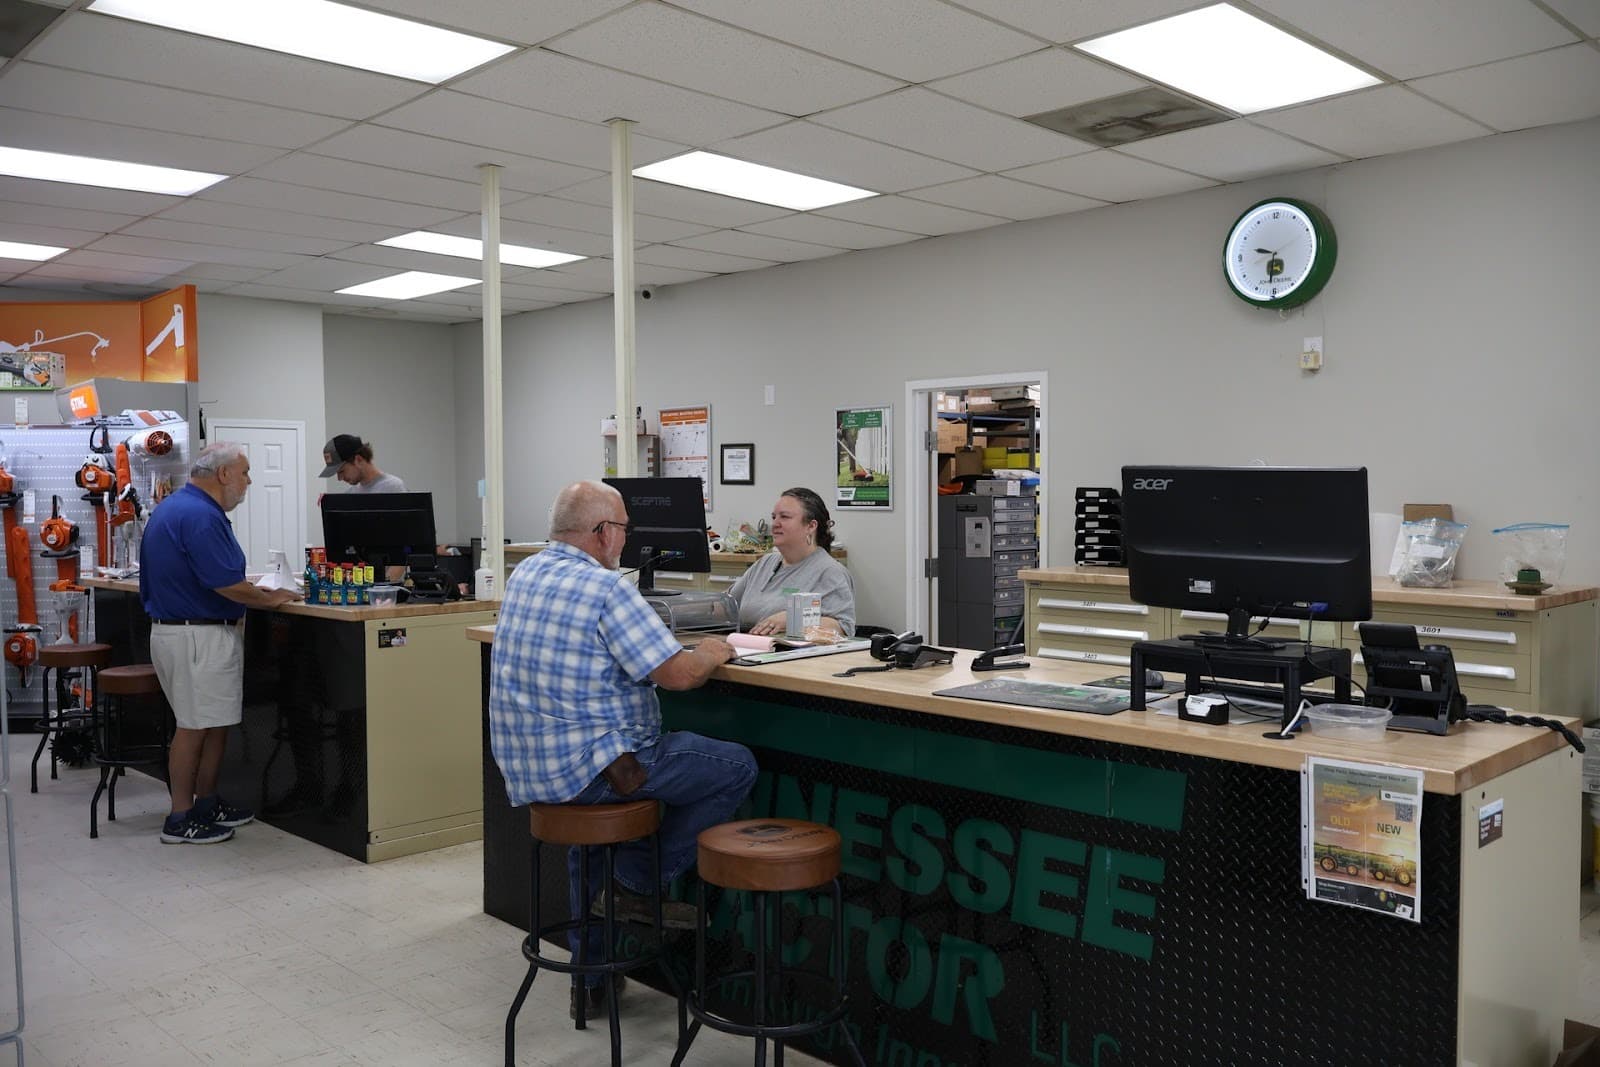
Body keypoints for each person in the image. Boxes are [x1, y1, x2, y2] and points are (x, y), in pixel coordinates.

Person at [489, 480, 757, 1020]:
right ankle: (637, 880)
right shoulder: (608, 590)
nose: (626, 542)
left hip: (532, 771)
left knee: (589, 838)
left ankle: (590, 980)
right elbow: (678, 675)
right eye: (625, 530)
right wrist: (710, 649)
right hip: (595, 768)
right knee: (737, 767)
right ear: (605, 533)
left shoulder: (525, 575)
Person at [140, 442, 302, 844]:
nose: (248, 483)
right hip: (197, 635)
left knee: (214, 724)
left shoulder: (180, 508)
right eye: (245, 473)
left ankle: (207, 802)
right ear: (224, 474)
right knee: (195, 727)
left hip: (191, 631)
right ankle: (180, 818)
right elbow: (226, 583)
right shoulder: (199, 516)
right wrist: (270, 598)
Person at [727, 487, 855, 638]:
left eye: (785, 517)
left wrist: (792, 619)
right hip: (749, 649)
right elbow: (727, 605)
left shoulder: (830, 571)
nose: (775, 524)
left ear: (811, 526)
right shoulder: (765, 563)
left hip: (796, 657)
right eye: (774, 517)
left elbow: (843, 628)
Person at [320, 433, 405, 493]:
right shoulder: (349, 495)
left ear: (358, 460)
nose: (340, 478)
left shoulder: (393, 488)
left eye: (341, 471)